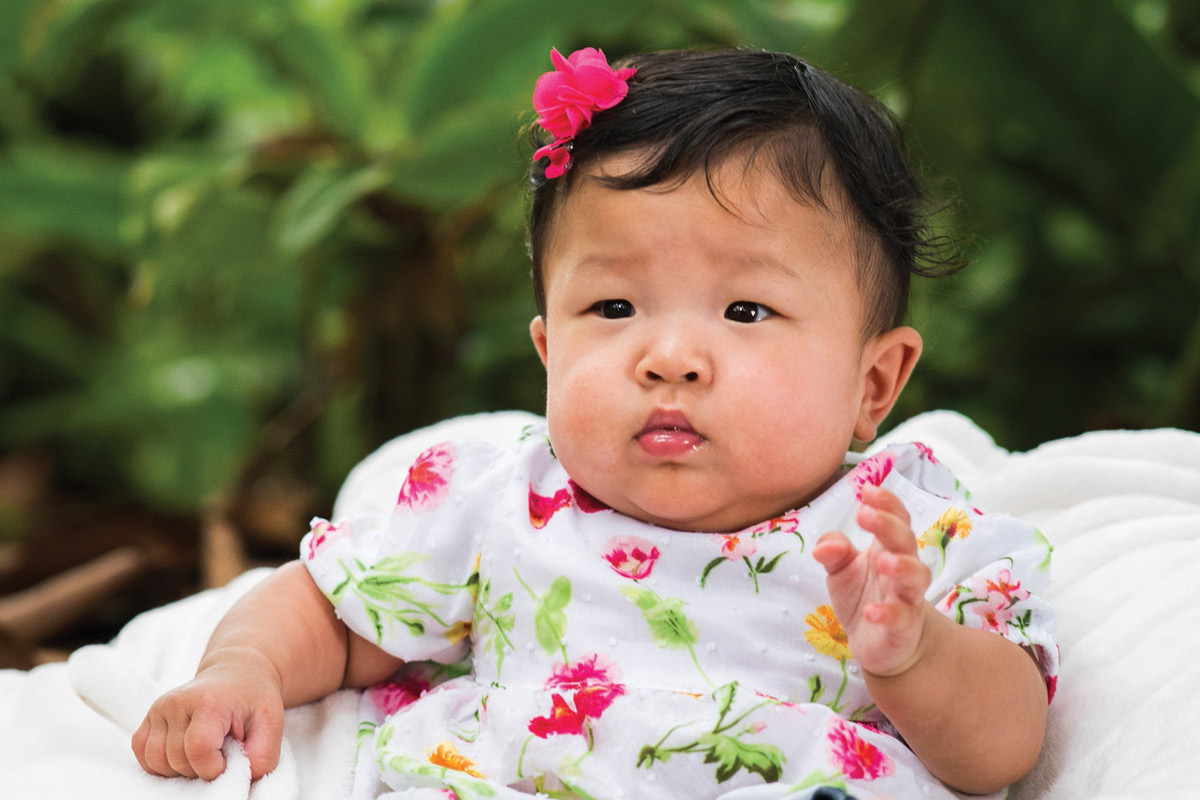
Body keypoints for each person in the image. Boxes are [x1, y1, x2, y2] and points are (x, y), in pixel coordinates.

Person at [132, 47, 1057, 800]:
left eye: (745, 312)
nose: (669, 357)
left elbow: (1000, 749)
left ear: (875, 382)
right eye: (613, 309)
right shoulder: (500, 500)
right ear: (547, 350)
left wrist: (914, 654)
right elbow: (331, 613)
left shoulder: (901, 537)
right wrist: (244, 669)